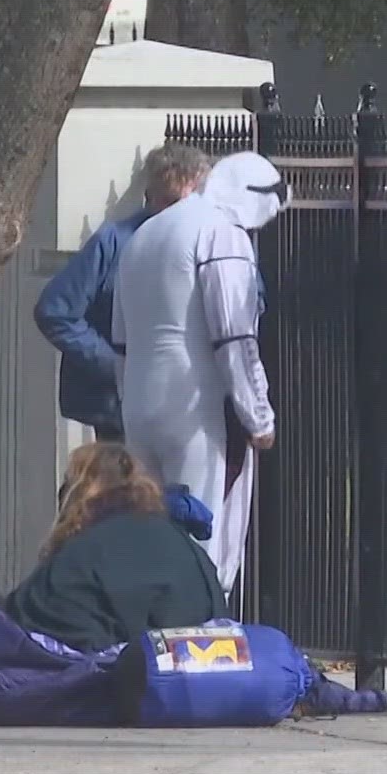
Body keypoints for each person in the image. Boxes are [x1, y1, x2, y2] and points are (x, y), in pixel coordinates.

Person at [0, 444, 227, 727]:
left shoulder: (90, 546)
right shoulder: (182, 541)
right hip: (186, 669)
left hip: (102, 667)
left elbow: (27, 624)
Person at [113, 148, 287, 601]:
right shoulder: (221, 234)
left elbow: (121, 342)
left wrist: (129, 403)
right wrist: (258, 416)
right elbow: (233, 335)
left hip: (140, 403)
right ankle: (203, 648)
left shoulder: (143, 235)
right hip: (198, 408)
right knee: (208, 540)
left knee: (148, 538)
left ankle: (148, 649)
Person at [32, 144, 206, 441]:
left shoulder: (215, 241)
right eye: (172, 202)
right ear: (151, 198)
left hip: (193, 404)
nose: (181, 214)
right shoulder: (113, 243)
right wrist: (116, 366)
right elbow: (56, 311)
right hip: (121, 412)